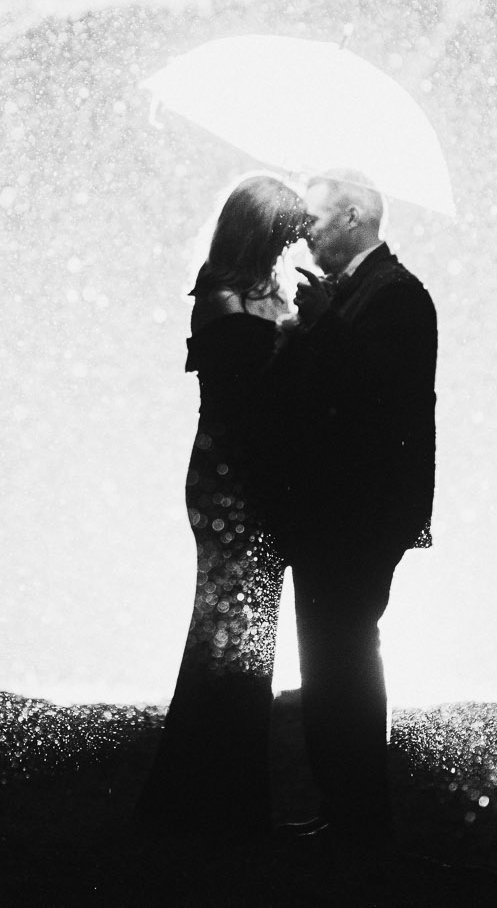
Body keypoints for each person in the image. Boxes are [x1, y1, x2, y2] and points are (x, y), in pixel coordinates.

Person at [136, 173, 311, 837]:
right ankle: (212, 801)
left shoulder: (262, 295)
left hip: (251, 481)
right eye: (283, 236)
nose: (291, 247)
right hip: (230, 483)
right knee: (227, 642)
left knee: (247, 640)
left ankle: (224, 798)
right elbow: (247, 395)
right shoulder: (221, 299)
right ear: (257, 235)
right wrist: (297, 335)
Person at [268, 168, 438, 845]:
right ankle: (347, 805)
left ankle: (359, 813)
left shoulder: (397, 294)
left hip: (360, 512)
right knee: (330, 655)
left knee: (343, 656)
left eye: (313, 218)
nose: (303, 231)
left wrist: (323, 325)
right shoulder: (360, 292)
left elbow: (380, 397)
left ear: (352, 218)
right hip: (341, 510)